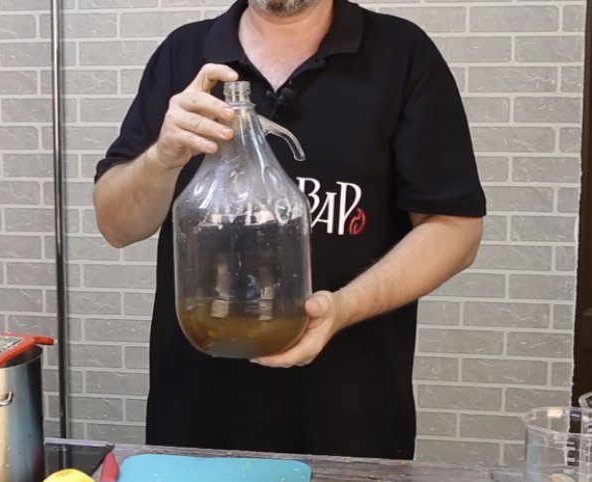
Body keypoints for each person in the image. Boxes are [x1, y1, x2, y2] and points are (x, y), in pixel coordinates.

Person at [91, 0, 486, 460]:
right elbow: (116, 226)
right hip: (196, 415)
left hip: (351, 416)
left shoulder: (402, 54)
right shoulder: (184, 54)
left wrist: (342, 308)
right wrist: (162, 157)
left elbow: (454, 229)